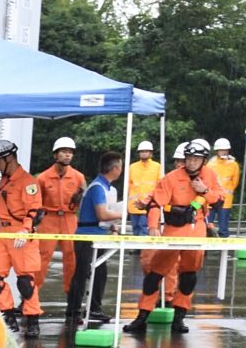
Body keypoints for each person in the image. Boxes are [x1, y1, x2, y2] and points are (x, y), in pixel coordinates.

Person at [129, 138, 222, 337]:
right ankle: (142, 316)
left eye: (196, 159)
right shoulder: (171, 178)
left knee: (189, 276)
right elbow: (155, 203)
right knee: (155, 274)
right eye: (188, 158)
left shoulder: (210, 176)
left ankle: (179, 317)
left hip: (196, 229)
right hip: (173, 228)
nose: (190, 162)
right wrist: (153, 227)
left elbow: (219, 200)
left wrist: (204, 190)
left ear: (203, 160)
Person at [0, 139, 45, 333]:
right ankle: (8, 316)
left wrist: (25, 231)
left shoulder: (28, 182)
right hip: (4, 234)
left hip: (21, 234)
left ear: (9, 158)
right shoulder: (4, 181)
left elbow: (35, 211)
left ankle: (33, 319)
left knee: (26, 281)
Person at [68, 151, 124, 334]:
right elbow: (102, 214)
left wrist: (112, 226)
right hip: (87, 237)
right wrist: (122, 214)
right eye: (120, 166)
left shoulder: (106, 187)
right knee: (82, 274)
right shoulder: (98, 187)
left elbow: (104, 217)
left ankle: (94, 308)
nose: (121, 170)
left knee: (100, 273)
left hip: (98, 235)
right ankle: (74, 311)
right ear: (114, 168)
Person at [33, 137, 86, 322]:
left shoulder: (78, 177)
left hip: (70, 219)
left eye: (70, 152)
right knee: (41, 259)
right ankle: (31, 302)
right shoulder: (42, 178)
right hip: (49, 218)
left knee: (72, 260)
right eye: (63, 151)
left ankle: (73, 307)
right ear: (55, 154)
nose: (67, 154)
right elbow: (35, 203)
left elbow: (85, 199)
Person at [126, 139, 161, 245]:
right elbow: (128, 184)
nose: (144, 153)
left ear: (150, 153)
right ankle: (138, 247)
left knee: (143, 227)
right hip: (134, 205)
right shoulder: (132, 167)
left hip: (148, 205)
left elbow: (159, 185)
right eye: (142, 151)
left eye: (146, 151)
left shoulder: (157, 167)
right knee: (135, 228)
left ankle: (142, 248)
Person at [209, 138, 239, 241]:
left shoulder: (233, 164)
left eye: (226, 150)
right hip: (211, 198)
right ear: (217, 151)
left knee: (223, 226)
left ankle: (223, 250)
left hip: (226, 199)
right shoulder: (210, 164)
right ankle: (207, 245)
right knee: (208, 223)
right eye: (222, 150)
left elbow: (235, 181)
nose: (224, 152)